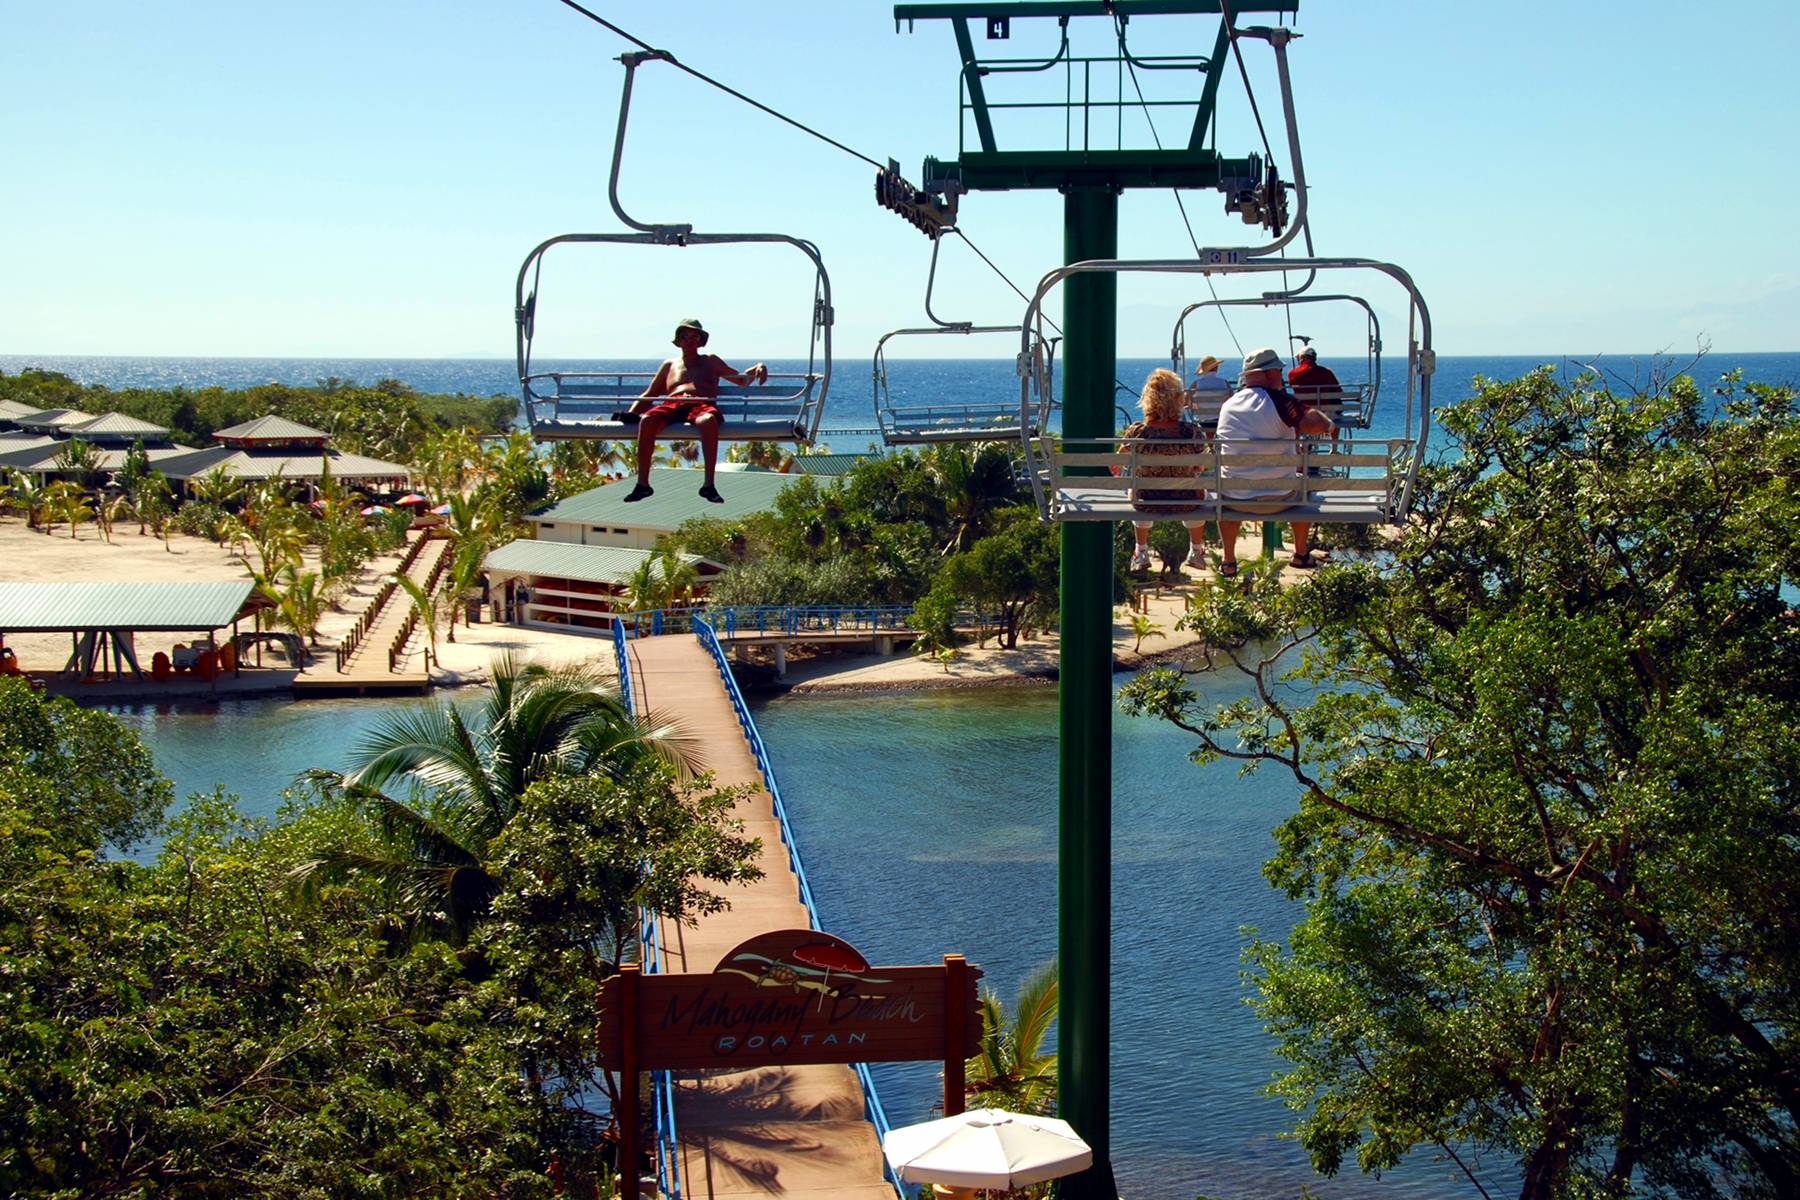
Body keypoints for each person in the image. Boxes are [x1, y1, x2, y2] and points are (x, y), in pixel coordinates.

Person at [616, 318, 768, 503]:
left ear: (700, 341)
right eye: (684, 335)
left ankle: (709, 485)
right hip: (672, 403)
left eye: (694, 336)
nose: (689, 339)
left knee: (707, 421)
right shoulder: (669, 365)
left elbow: (741, 379)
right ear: (678, 340)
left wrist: (759, 367)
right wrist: (632, 413)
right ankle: (643, 485)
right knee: (647, 421)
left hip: (701, 403)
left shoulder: (710, 361)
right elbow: (650, 393)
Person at [1215, 347, 1335, 575]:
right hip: (1280, 498)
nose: (1282, 376)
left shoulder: (1228, 404)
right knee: (1304, 485)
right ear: (1270, 373)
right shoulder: (1280, 400)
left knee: (1225, 489)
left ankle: (1229, 560)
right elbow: (1312, 424)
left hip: (1235, 498)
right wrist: (1328, 423)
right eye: (1280, 371)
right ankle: (1300, 553)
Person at [1121, 368, 1209, 573]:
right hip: (1185, 502)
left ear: (1148, 400)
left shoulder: (1137, 431)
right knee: (1199, 489)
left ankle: (1141, 551)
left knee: (1136, 488)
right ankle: (1196, 550)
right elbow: (1200, 466)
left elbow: (1120, 461)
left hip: (1147, 501)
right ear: (1179, 399)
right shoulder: (1191, 432)